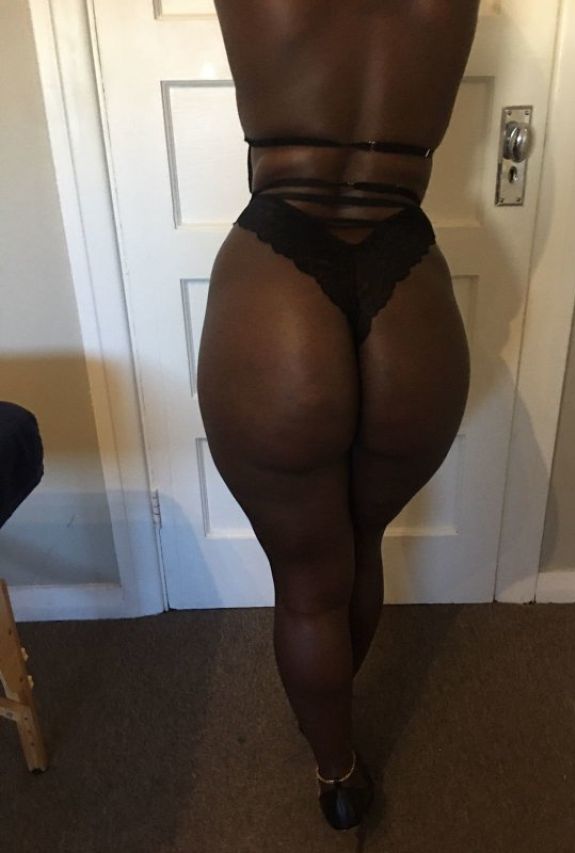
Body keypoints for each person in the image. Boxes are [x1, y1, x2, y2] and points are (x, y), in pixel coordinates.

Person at [197, 0, 480, 832]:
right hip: (408, 275)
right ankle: (337, 727)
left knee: (309, 581)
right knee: (361, 542)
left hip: (277, 272)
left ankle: (338, 771)